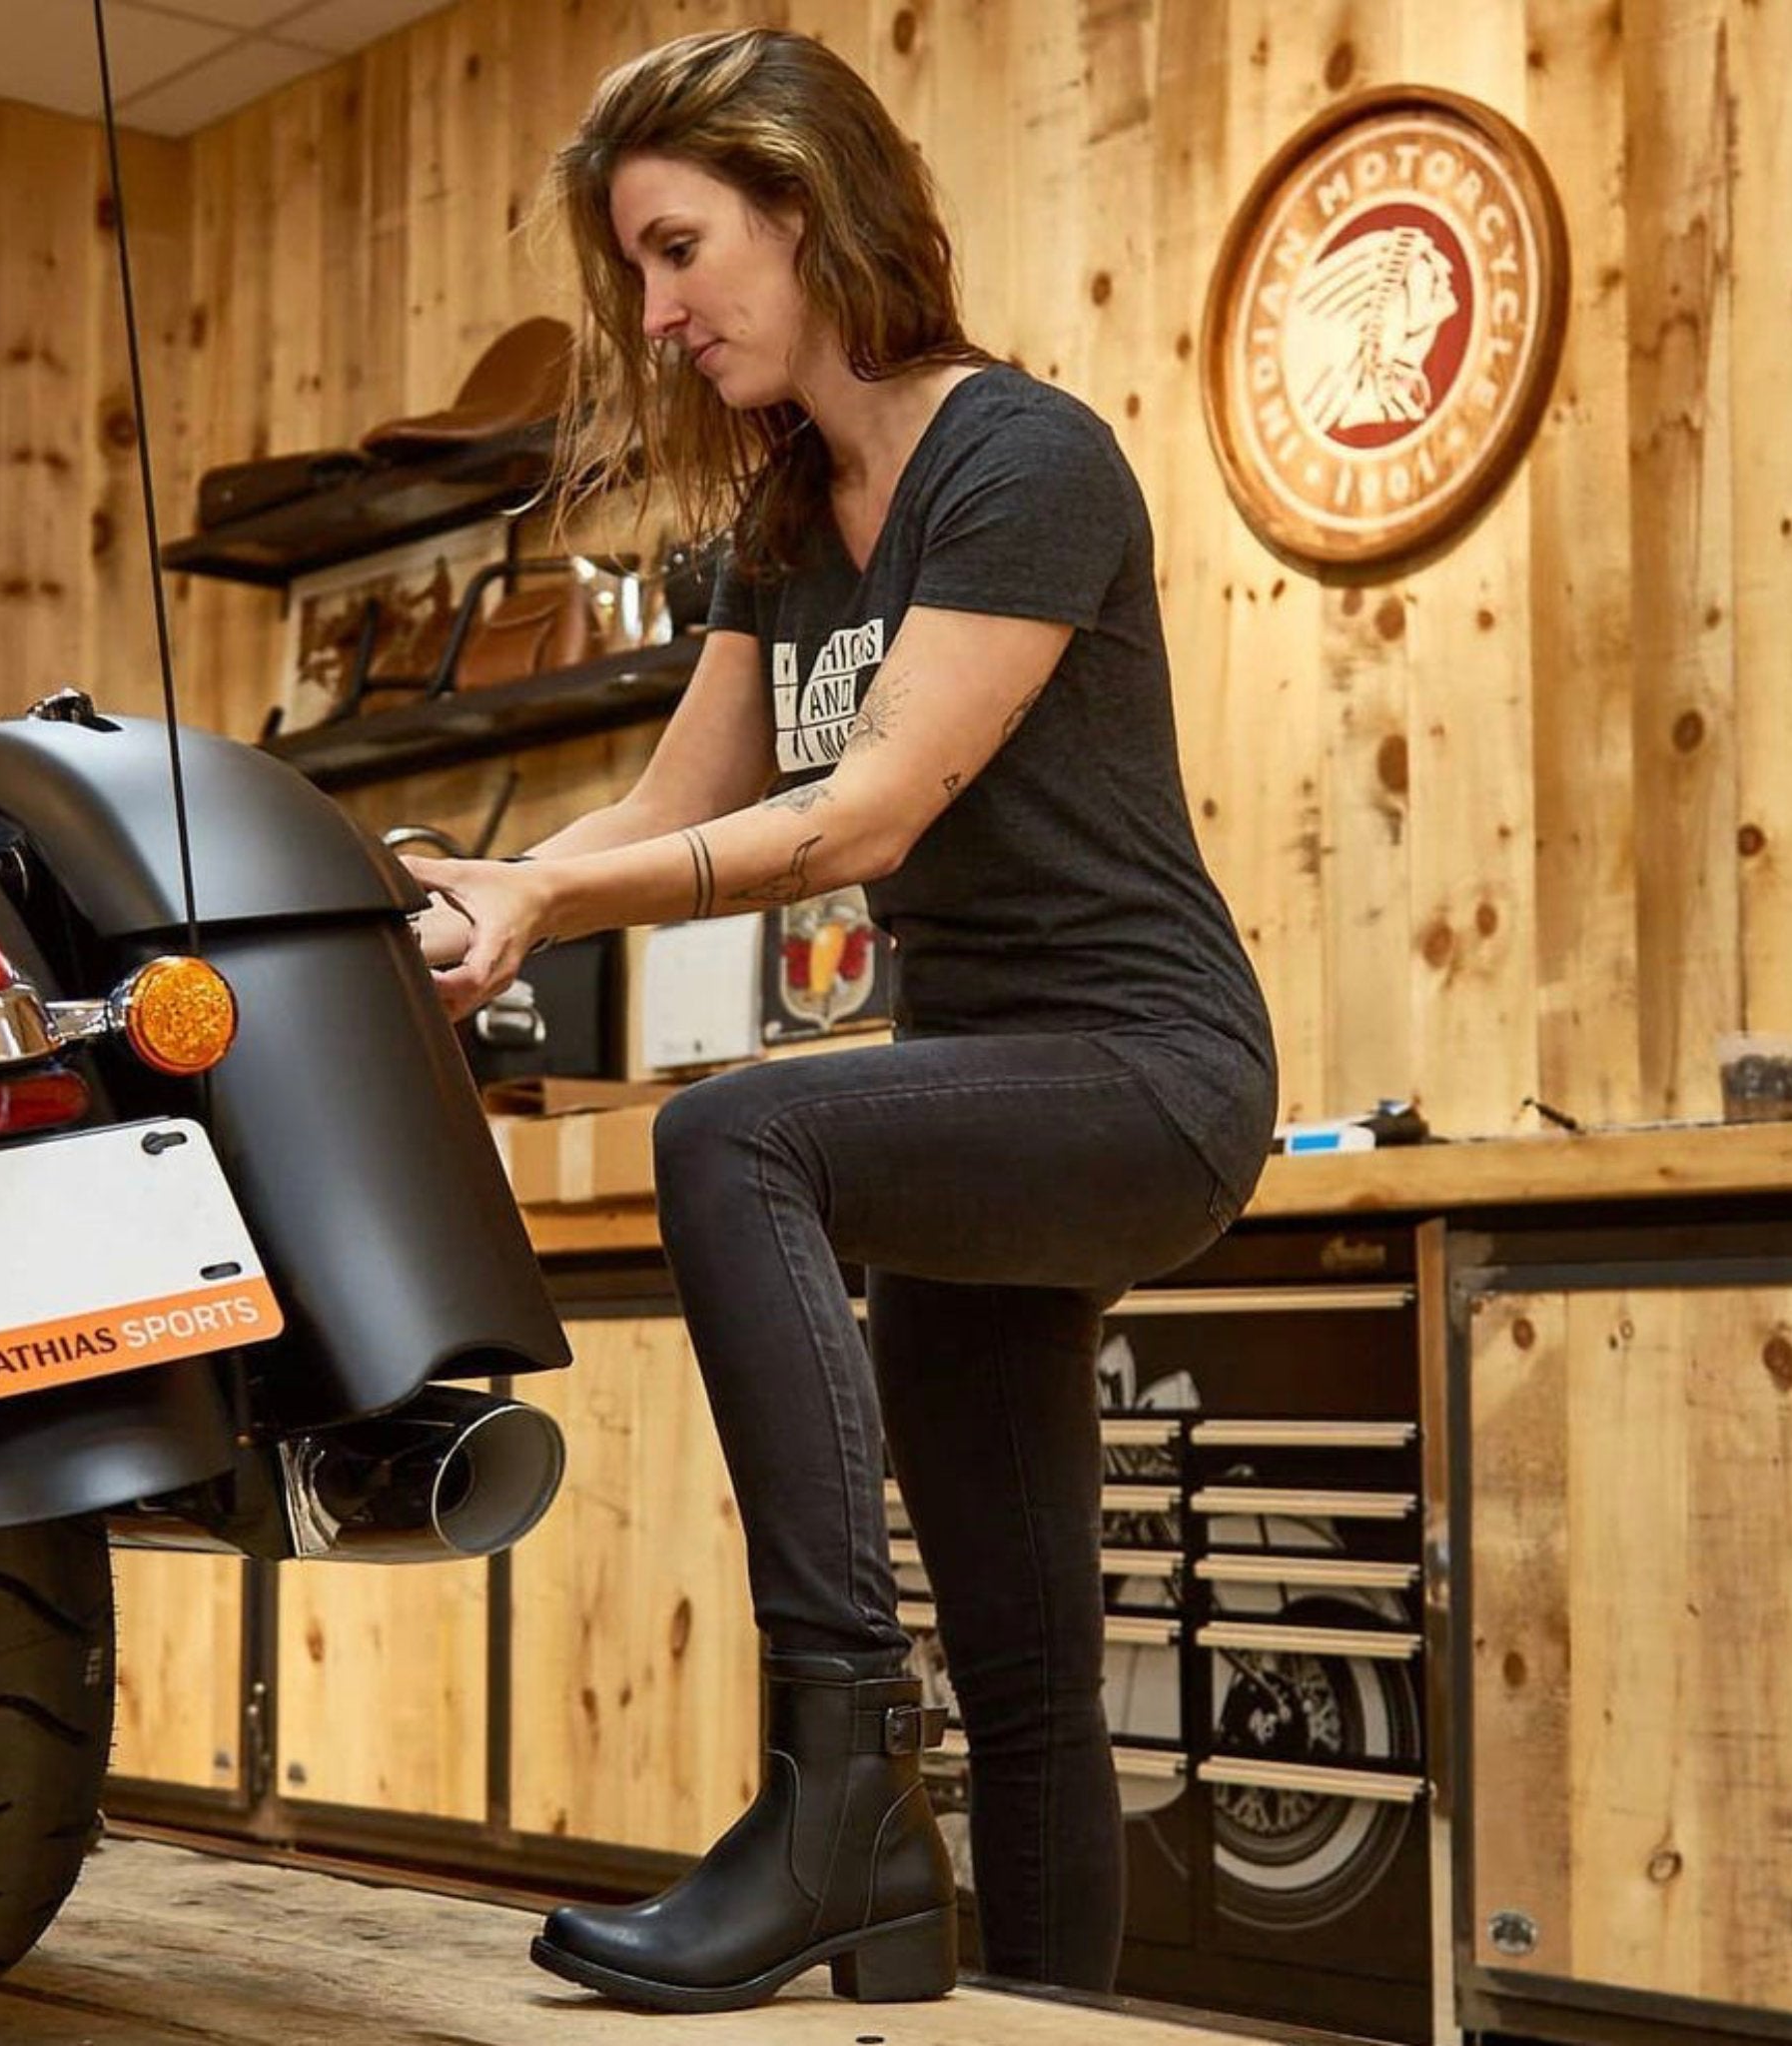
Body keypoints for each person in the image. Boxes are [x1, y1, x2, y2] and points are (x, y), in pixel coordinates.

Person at [403, 25, 1277, 2017]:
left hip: (1147, 1073)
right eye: (636, 266)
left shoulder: (1019, 455)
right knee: (1034, 1665)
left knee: (734, 1131)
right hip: (974, 1088)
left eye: (683, 246)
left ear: (807, 210)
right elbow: (667, 809)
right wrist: (474, 885)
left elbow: (868, 808)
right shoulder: (786, 519)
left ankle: (826, 1797)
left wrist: (556, 894)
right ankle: (1036, 1999)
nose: (658, 308)